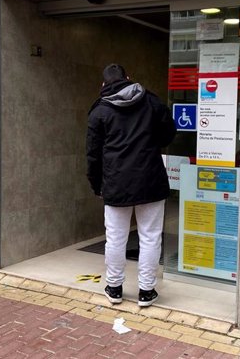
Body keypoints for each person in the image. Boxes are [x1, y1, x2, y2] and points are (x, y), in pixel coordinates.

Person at [86, 64, 176, 307]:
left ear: (104, 84)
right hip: (151, 180)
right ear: (128, 78)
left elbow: (93, 155)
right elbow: (168, 133)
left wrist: (97, 185)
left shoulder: (99, 111)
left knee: (115, 238)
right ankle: (146, 291)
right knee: (150, 237)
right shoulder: (151, 102)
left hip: (116, 183)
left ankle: (114, 288)